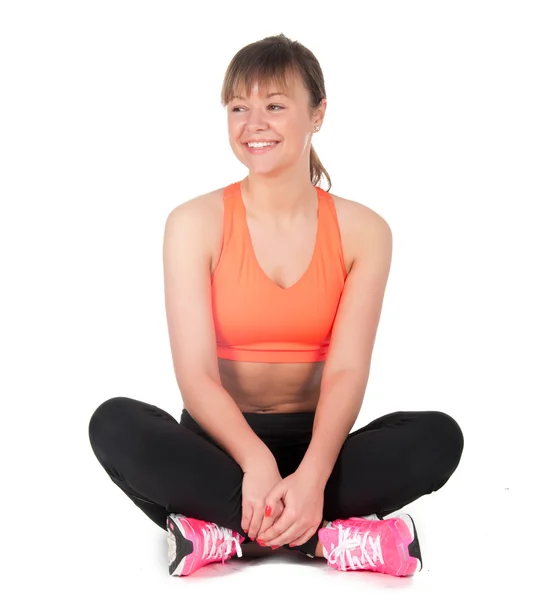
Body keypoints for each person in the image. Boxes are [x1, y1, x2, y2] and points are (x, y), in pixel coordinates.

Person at [88, 33, 464, 578]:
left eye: (275, 106)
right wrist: (256, 460)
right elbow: (194, 376)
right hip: (219, 448)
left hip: (320, 448)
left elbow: (347, 372)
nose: (252, 123)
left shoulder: (365, 231)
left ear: (318, 114)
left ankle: (224, 535)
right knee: (115, 424)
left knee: (437, 437)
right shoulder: (193, 224)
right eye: (238, 107)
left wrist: (311, 476)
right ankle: (325, 540)